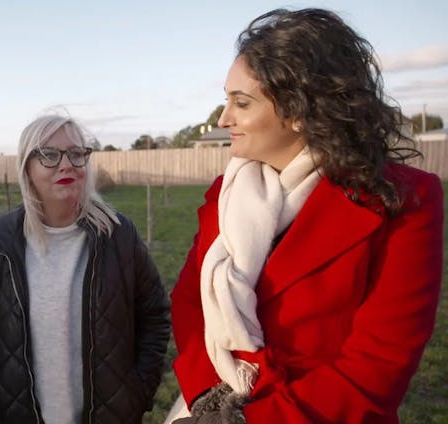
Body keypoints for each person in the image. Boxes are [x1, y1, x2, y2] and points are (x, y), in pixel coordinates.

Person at [169, 8, 444, 424]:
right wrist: (210, 401)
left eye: (241, 103)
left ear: (298, 111)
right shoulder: (224, 195)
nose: (224, 119)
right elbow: (190, 302)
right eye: (226, 100)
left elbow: (377, 365)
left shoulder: (404, 202)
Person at [0, 115, 171, 423]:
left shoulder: (118, 235)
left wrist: (136, 394)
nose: (66, 164)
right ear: (27, 169)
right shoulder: (0, 241)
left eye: (76, 153)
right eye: (49, 154)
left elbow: (154, 315)